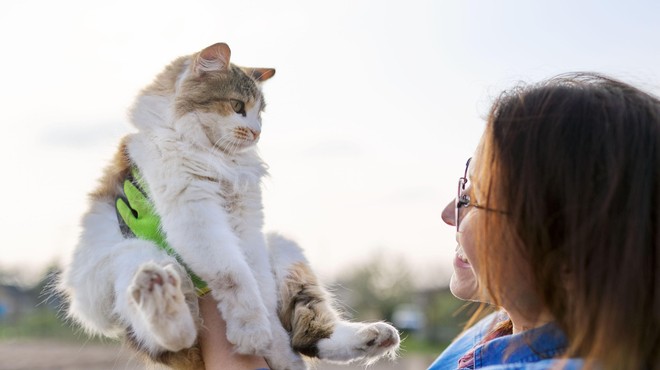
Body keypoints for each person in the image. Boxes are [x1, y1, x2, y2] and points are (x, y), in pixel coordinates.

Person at [429, 73, 659, 369]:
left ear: (572, 252)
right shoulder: (492, 335)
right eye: (465, 187)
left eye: (476, 200)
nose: (449, 214)